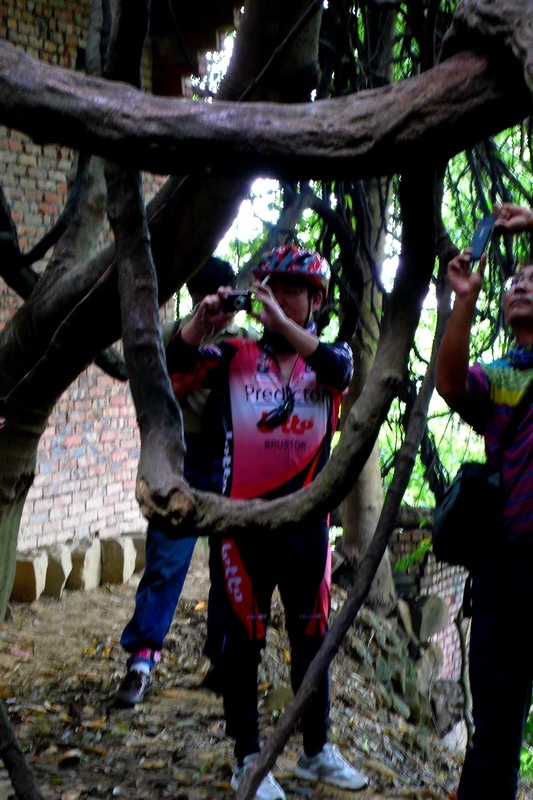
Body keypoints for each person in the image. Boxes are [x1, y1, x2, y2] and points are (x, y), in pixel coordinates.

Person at [167, 245, 369, 800]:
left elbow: (339, 370)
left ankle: (315, 751)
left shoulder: (330, 357)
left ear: (316, 301)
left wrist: (284, 325)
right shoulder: (235, 353)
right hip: (244, 524)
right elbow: (174, 368)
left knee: (312, 640)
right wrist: (199, 322)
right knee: (241, 644)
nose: (280, 298)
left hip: (307, 525)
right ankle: (247, 759)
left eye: (294, 290)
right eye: (272, 288)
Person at [115, 256, 257, 708]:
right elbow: (156, 381)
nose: (220, 307)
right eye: (208, 299)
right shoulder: (172, 335)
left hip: (233, 459)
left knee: (229, 567)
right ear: (196, 298)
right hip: (181, 459)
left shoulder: (248, 342)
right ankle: (141, 662)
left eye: (225, 299)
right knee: (166, 562)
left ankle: (222, 662)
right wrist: (199, 324)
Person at [435, 202, 533, 800]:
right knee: (495, 726)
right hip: (507, 571)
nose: (521, 283)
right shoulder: (499, 376)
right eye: (515, 279)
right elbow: (450, 384)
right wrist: (464, 299)